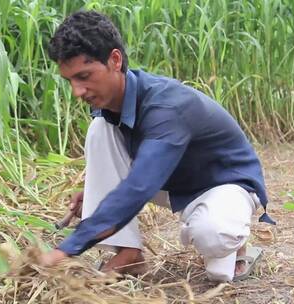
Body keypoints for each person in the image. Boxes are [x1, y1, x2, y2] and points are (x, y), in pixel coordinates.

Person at [38, 10, 274, 282]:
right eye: (70, 81)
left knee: (216, 250)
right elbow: (129, 171)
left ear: (115, 60)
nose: (77, 92)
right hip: (172, 180)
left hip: (224, 184)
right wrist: (95, 190)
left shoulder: (167, 106)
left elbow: (139, 185)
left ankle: (239, 245)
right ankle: (129, 255)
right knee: (100, 127)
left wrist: (65, 250)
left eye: (85, 76)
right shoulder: (112, 108)